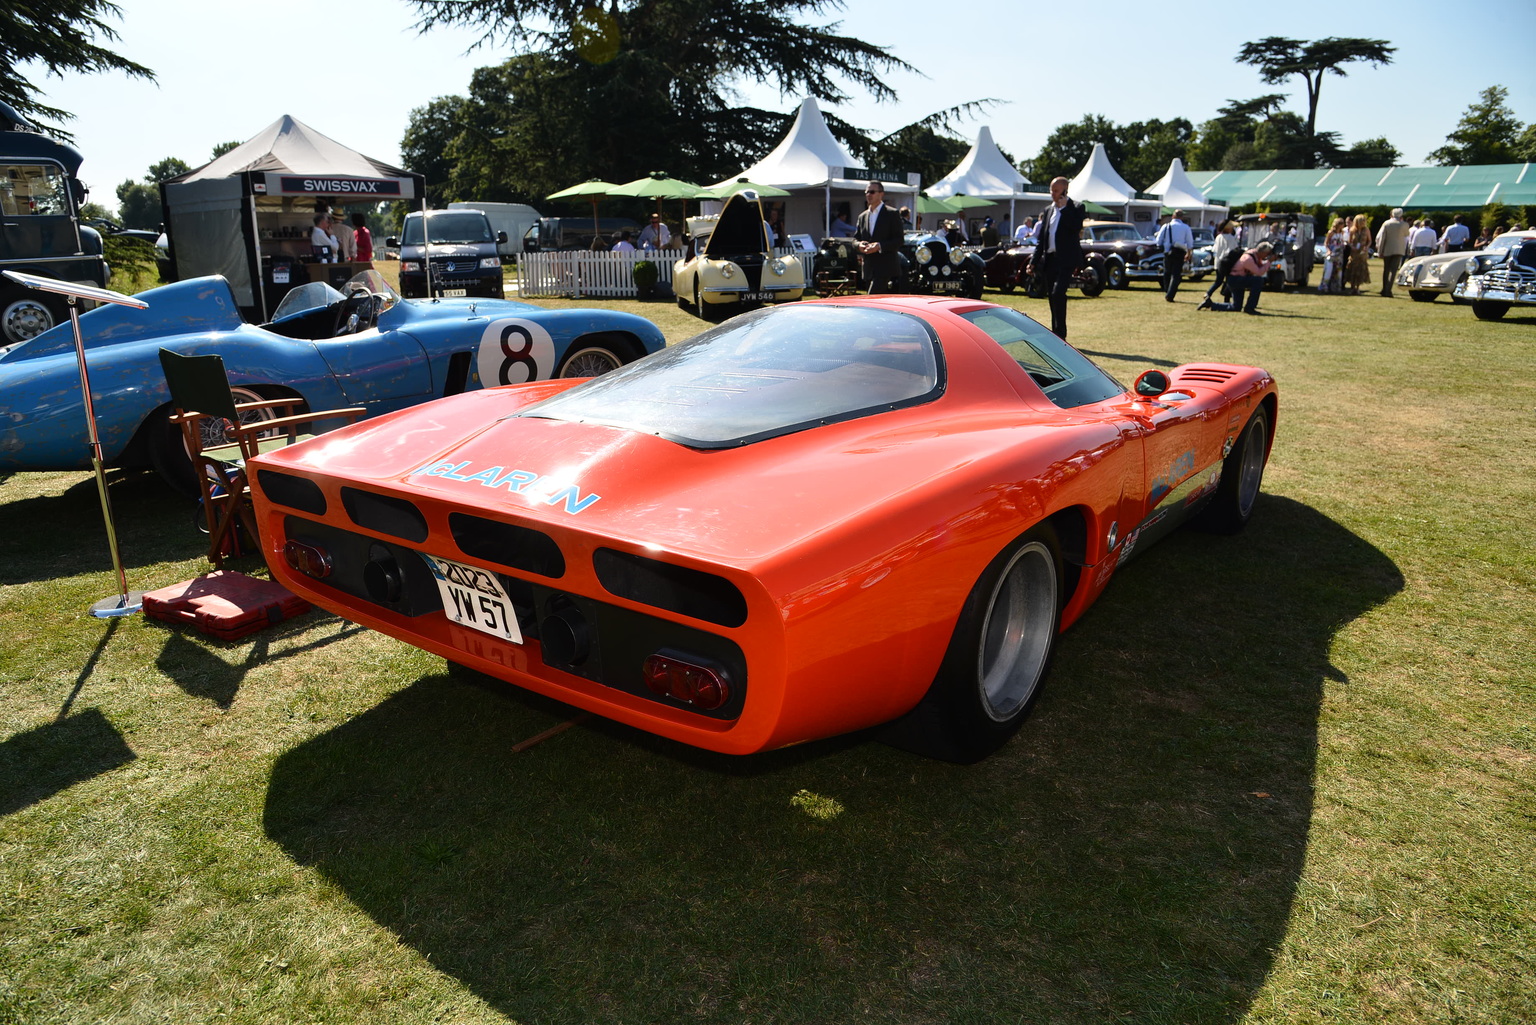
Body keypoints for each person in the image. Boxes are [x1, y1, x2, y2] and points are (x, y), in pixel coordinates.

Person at [1031, 176, 1086, 339]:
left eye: (1055, 190)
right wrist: (1034, 261)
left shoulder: (1077, 207)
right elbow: (1042, 239)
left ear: (1064, 190)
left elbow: (1076, 227)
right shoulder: (1048, 210)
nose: (1052, 194)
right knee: (1051, 296)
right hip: (1050, 259)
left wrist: (1064, 209)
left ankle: (1061, 333)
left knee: (1058, 293)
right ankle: (1055, 332)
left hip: (1067, 260)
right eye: (1051, 190)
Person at [854, 180, 903, 293]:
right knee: (873, 304)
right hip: (868, 269)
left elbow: (899, 240)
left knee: (871, 301)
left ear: (881, 194)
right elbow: (855, 239)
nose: (868, 195)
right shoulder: (863, 216)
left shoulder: (892, 213)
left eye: (872, 192)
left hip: (886, 268)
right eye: (866, 192)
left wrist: (879, 246)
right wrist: (859, 245)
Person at [1197, 219, 1240, 309]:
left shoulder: (1218, 237)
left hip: (1218, 262)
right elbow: (1234, 250)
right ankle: (1227, 299)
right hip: (1227, 262)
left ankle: (1208, 293)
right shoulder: (1231, 238)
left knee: (1218, 281)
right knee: (1229, 281)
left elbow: (1215, 250)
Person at [1154, 209, 1194, 301]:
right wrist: (1189, 253)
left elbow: (1158, 240)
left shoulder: (1166, 226)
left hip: (1168, 252)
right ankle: (1171, 294)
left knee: (1167, 272)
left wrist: (1162, 247)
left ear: (1173, 216)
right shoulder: (1186, 227)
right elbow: (1190, 242)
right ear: (1182, 217)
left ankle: (1167, 291)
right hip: (1180, 252)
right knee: (1176, 274)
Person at [1224, 241, 1274, 313]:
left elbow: (1259, 267)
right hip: (1235, 279)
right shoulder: (1248, 258)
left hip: (1236, 279)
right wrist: (1269, 261)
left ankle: (1211, 304)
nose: (1267, 256)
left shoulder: (1255, 255)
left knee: (1236, 307)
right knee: (1258, 280)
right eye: (1267, 254)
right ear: (1262, 252)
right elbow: (1259, 272)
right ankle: (1250, 308)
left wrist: (1267, 262)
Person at [1374, 207, 1410, 297]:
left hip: (1387, 249)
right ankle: (1388, 290)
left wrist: (1380, 250)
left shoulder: (1387, 223)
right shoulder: (1404, 225)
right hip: (1399, 249)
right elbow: (1407, 235)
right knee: (1393, 271)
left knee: (1386, 270)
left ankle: (1384, 288)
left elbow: (1382, 238)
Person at [1344, 213, 1372, 294]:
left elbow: (1369, 240)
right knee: (1353, 268)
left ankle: (1358, 287)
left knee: (1361, 269)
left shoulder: (1366, 230)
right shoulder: (1352, 230)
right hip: (1354, 253)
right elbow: (1349, 241)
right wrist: (1352, 246)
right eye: (1361, 221)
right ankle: (1352, 286)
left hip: (1362, 252)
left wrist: (1367, 246)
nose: (1363, 223)